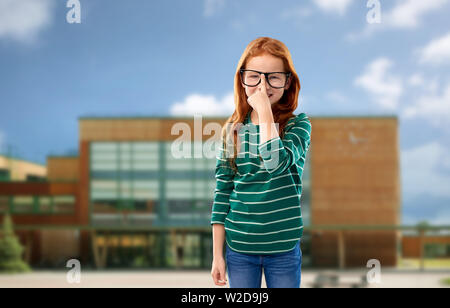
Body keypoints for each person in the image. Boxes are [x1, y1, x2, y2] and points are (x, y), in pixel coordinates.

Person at [210, 37, 312, 288]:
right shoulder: (231, 131)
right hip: (240, 249)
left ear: (288, 81)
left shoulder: (299, 126)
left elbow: (276, 163)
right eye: (254, 76)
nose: (263, 85)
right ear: (242, 79)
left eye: (273, 77)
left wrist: (265, 112)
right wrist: (217, 256)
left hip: (284, 248)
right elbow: (222, 194)